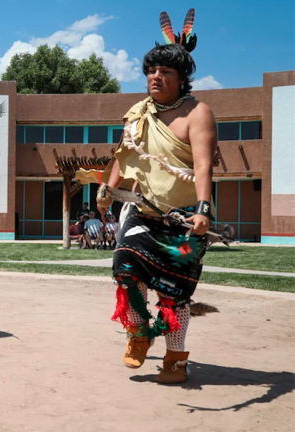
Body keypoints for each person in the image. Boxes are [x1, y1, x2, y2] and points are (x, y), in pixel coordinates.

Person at [98, 10, 215, 384]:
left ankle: (176, 359)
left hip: (185, 219)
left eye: (165, 71)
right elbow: (124, 154)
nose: (155, 77)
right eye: (151, 71)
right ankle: (137, 335)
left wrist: (203, 210)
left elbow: (203, 166)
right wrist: (107, 187)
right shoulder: (138, 112)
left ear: (182, 78)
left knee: (174, 295)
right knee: (125, 272)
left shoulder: (197, 113)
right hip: (142, 212)